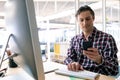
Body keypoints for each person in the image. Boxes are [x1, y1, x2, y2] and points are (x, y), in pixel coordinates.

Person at [64, 5, 119, 76]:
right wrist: (72, 63)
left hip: (98, 77)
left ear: (93, 18)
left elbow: (114, 70)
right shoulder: (74, 40)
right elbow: (68, 58)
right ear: (78, 22)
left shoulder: (107, 39)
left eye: (88, 19)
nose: (85, 23)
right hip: (78, 76)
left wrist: (100, 60)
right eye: (81, 20)